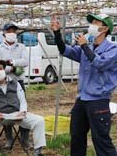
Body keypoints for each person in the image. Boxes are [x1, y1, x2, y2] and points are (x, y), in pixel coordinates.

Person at [51, 14, 117, 156]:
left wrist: (85, 46)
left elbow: (100, 64)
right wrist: (57, 33)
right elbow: (64, 50)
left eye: (95, 22)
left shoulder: (113, 49)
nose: (91, 25)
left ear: (104, 28)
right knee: (76, 137)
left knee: (101, 140)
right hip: (82, 99)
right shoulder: (86, 48)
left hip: (98, 101)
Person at [0, 60, 46, 156]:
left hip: (16, 114)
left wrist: (23, 112)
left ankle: (38, 152)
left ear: (4, 69)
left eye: (0, 69)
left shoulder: (16, 83)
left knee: (39, 120)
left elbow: (23, 101)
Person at [0, 23, 30, 148]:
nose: (12, 33)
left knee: (22, 108)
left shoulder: (22, 47)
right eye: (9, 31)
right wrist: (13, 69)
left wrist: (11, 63)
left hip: (18, 82)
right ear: (4, 33)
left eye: (14, 31)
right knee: (6, 108)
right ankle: (9, 139)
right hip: (4, 83)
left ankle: (25, 139)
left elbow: (26, 62)